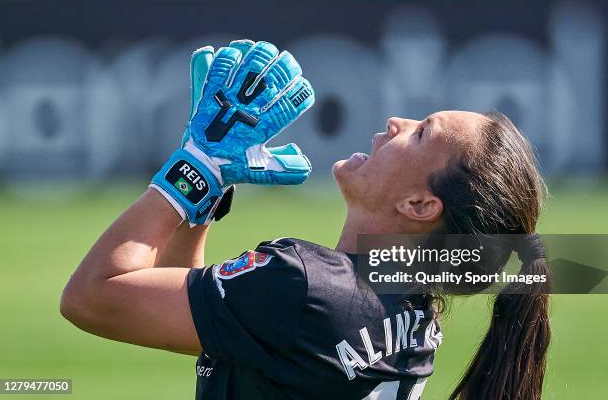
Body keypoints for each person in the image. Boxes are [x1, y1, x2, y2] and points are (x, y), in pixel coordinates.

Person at [60, 40, 550, 400]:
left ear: (420, 207)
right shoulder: (412, 305)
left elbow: (92, 298)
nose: (398, 121)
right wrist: (208, 194)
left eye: (422, 134)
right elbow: (218, 324)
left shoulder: (301, 287)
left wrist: (194, 167)